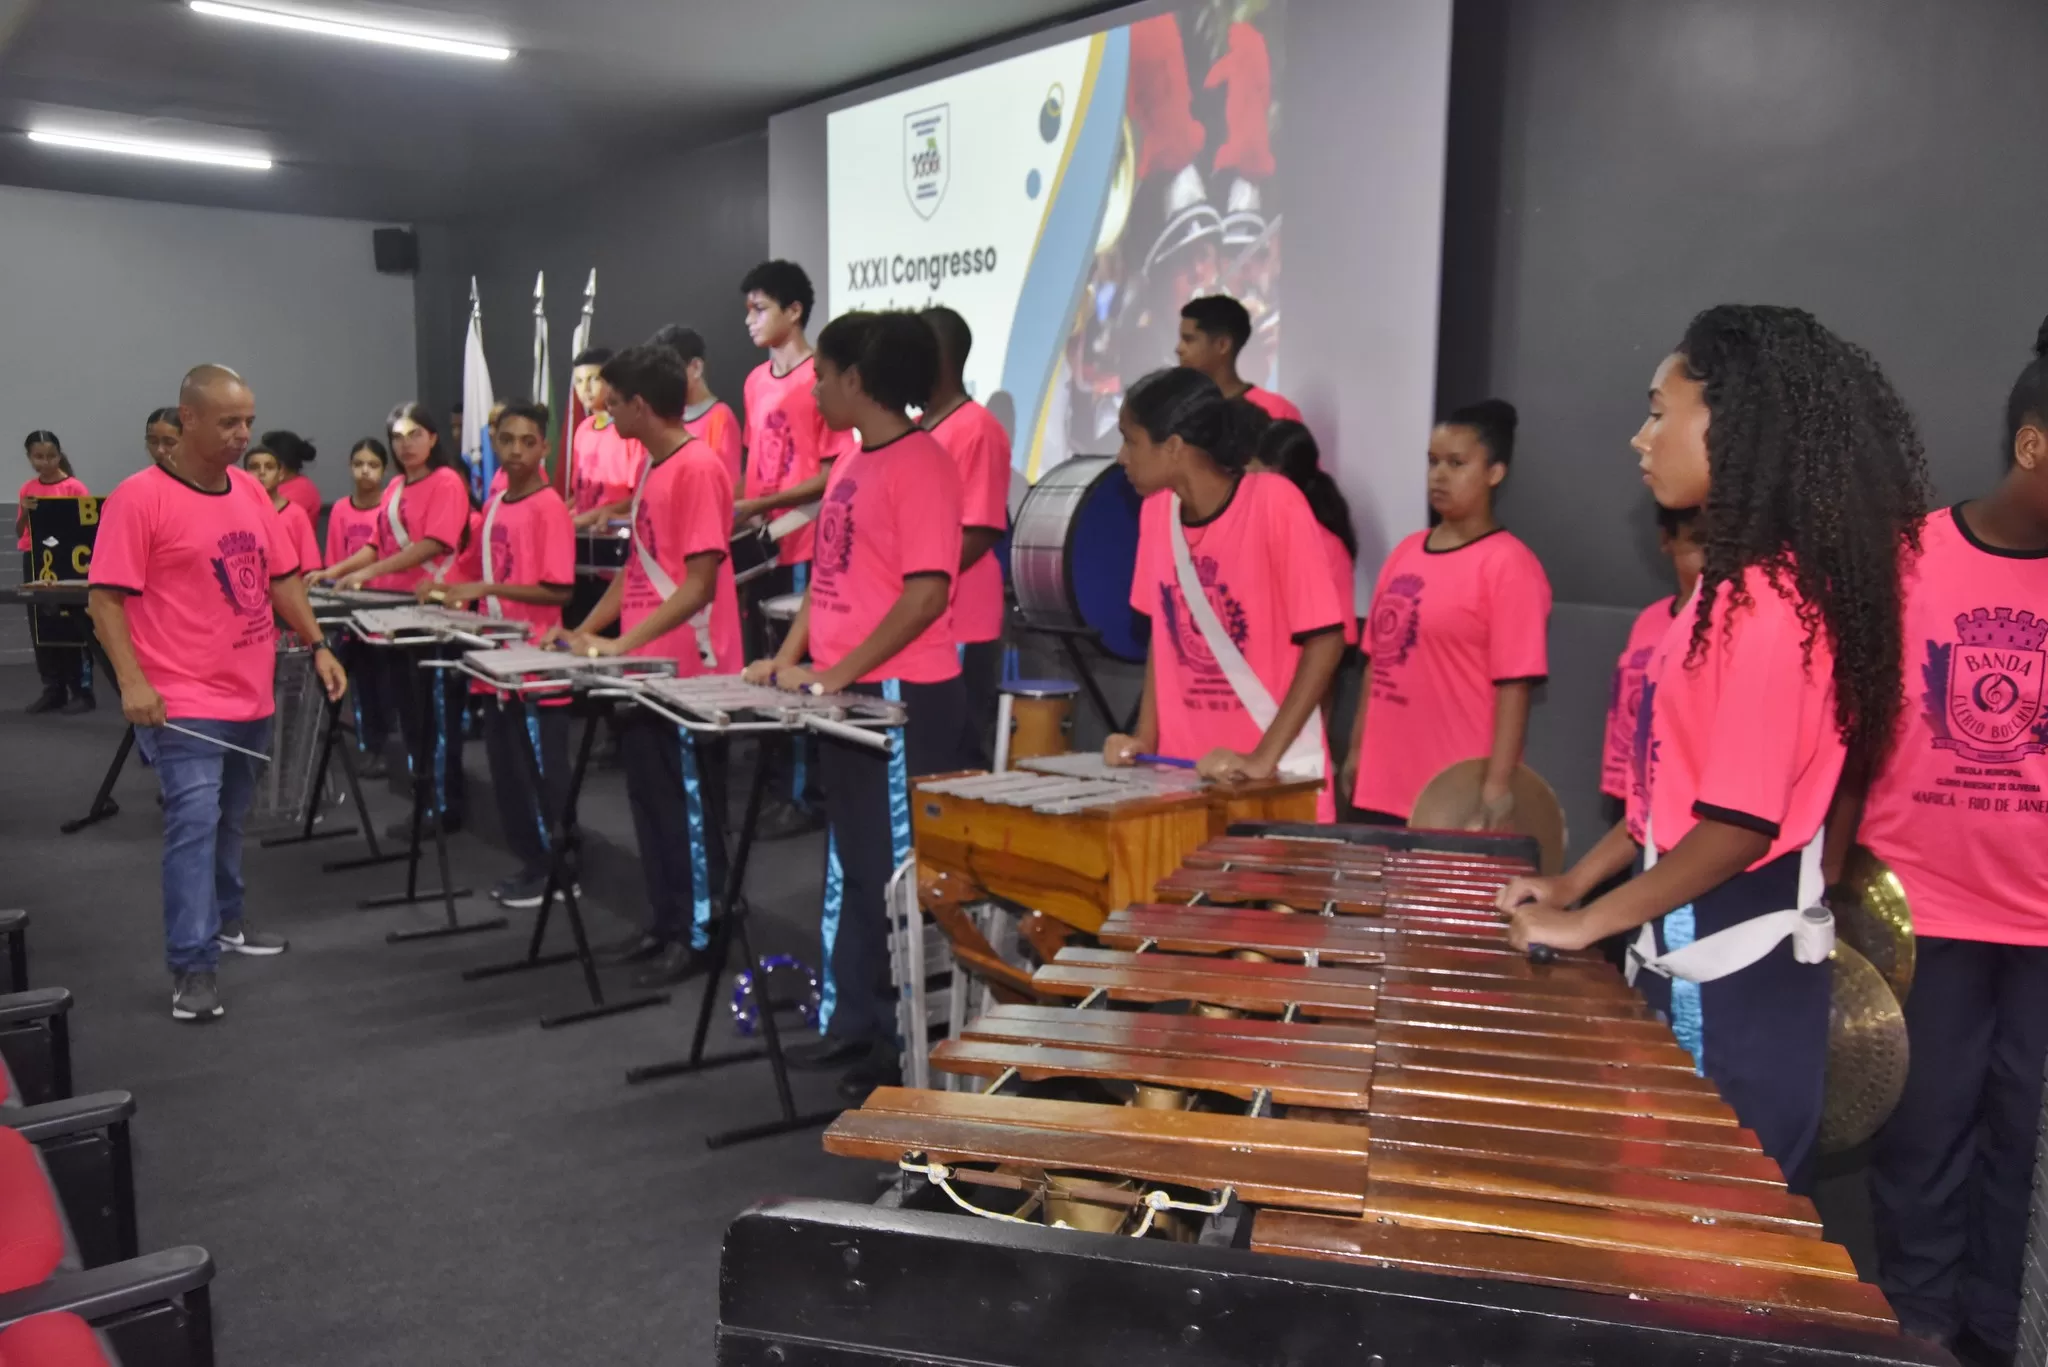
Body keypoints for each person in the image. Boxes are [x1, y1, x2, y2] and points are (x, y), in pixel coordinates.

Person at [1495, 305, 1930, 1195]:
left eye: (1661, 410)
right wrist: (1577, 884)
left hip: (1731, 986)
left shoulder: (1770, 609)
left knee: (1703, 1264)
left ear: (1731, 426)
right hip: (1690, 959)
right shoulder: (1729, 591)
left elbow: (1735, 828)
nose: (1639, 435)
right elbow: (1673, 805)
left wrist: (1587, 924)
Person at [1840, 319, 2048, 1367]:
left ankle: (2002, 1330)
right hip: (1918, 914)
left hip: (2042, 930)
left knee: (2025, 1155)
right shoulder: (1906, 556)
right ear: (2030, 443)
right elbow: (1842, 728)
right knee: (1919, 1143)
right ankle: (1915, 1330)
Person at [744, 310, 965, 1100]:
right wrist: (793, 655)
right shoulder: (849, 460)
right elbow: (828, 578)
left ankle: (904, 1047)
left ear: (857, 380)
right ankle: (856, 1027)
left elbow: (927, 593)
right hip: (845, 688)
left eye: (824, 374)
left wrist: (843, 675)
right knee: (851, 865)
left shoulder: (924, 465)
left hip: (899, 695)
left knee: (895, 875)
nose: (814, 388)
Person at [86, 365, 346, 1021]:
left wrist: (317, 643)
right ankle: (192, 965)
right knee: (194, 828)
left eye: (249, 421)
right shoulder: (137, 498)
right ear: (188, 420)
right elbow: (105, 599)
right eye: (229, 422)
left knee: (231, 823)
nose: (243, 434)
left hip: (248, 690)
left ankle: (229, 923)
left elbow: (282, 577)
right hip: (182, 701)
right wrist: (134, 681)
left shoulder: (252, 494)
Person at [555, 345, 743, 988]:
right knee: (650, 802)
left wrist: (618, 642)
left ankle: (699, 934)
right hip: (645, 667)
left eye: (612, 398)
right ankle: (665, 921)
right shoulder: (654, 469)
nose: (602, 407)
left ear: (640, 403)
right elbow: (636, 572)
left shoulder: (697, 468)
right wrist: (586, 632)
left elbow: (698, 585)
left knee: (688, 808)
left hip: (687, 672)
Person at [1102, 367, 1343, 798]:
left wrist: (1262, 758)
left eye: (1130, 440)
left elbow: (1326, 641)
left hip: (1272, 778)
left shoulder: (1274, 502)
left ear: (1173, 447)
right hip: (1180, 776)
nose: (1121, 457)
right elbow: (1165, 632)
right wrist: (1146, 739)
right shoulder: (1156, 513)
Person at [1342, 399, 1550, 826]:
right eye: (1433, 461)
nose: (1439, 475)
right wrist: (1358, 748)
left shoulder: (1509, 565)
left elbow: (1515, 688)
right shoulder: (1404, 552)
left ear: (1495, 473)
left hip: (1451, 794)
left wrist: (1496, 786)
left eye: (1457, 464)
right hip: (1380, 785)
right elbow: (1375, 666)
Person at [431, 402, 576, 910]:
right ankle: (531, 862)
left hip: (535, 666)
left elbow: (557, 592)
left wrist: (484, 585)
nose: (515, 450)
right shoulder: (493, 504)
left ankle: (554, 867)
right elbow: (467, 568)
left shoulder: (549, 507)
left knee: (540, 773)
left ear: (544, 448)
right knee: (508, 773)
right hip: (494, 664)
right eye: (507, 440)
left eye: (527, 441)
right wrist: (443, 593)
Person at [736, 261, 855, 836]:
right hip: (760, 546)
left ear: (794, 311)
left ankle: (809, 793)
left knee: (802, 663)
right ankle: (781, 781)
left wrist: (765, 504)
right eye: (748, 310)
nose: (750, 321)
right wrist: (740, 511)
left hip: (804, 539)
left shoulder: (821, 380)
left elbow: (834, 472)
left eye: (760, 309)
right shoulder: (756, 381)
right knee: (765, 664)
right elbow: (751, 465)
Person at [315, 403, 473, 835]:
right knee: (411, 715)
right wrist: (336, 570)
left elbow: (433, 544)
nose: (406, 444)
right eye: (399, 436)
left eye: (415, 434)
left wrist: (369, 573)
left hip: (436, 612)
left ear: (434, 437)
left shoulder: (447, 482)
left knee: (434, 717)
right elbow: (375, 544)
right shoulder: (396, 487)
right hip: (396, 614)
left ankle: (443, 807)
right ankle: (424, 802)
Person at [1247, 418, 1357, 819]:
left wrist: (1315, 737)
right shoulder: (1252, 534)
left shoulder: (1326, 547)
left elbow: (1327, 651)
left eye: (1257, 474)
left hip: (1293, 734)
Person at [919, 306, 1011, 768]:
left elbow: (981, 530)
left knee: (959, 748)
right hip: (924, 614)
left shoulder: (978, 429)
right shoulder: (916, 430)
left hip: (964, 616)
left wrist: (914, 581)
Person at [1601, 506, 1705, 809]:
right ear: (1667, 540)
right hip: (1637, 799)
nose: (1712, 555)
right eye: (1698, 540)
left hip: (1690, 804)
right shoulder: (1649, 621)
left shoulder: (1736, 628)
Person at [320, 438, 394, 777]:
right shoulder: (340, 509)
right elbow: (335, 558)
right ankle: (367, 745)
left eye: (373, 464)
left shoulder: (389, 508)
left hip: (387, 608)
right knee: (358, 682)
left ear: (385, 470)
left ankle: (388, 747)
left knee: (384, 682)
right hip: (351, 610)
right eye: (359, 463)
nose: (365, 470)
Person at [17, 431, 94, 714]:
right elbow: (20, 532)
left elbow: (87, 527)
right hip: (35, 559)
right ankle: (53, 688)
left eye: (51, 456)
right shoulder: (27, 488)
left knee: (71, 624)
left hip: (67, 563)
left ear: (59, 455)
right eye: (38, 457)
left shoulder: (74, 487)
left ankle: (81, 689)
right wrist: (25, 512)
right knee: (41, 624)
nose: (45, 462)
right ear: (29, 458)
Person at [1175, 294, 1301, 421]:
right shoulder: (1174, 410)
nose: (1179, 349)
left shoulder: (1276, 412)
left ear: (1223, 345)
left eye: (1188, 340)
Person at [650, 324, 743, 489]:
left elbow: (726, 490)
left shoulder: (720, 419)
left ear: (695, 368)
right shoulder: (665, 419)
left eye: (669, 372)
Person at [566, 348, 645, 531]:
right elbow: (579, 494)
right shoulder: (583, 430)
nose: (584, 389)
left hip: (614, 532)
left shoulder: (628, 429)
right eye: (578, 381)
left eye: (593, 379)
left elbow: (640, 494)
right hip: (581, 531)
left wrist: (595, 515)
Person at [242, 443, 322, 572]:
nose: (262, 473)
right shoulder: (238, 513)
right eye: (254, 467)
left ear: (280, 474)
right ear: (244, 475)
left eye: (269, 467)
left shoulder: (296, 514)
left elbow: (310, 566)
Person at [262, 429, 322, 523]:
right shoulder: (278, 484)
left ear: (281, 465)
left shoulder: (301, 490)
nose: (261, 471)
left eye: (268, 465)